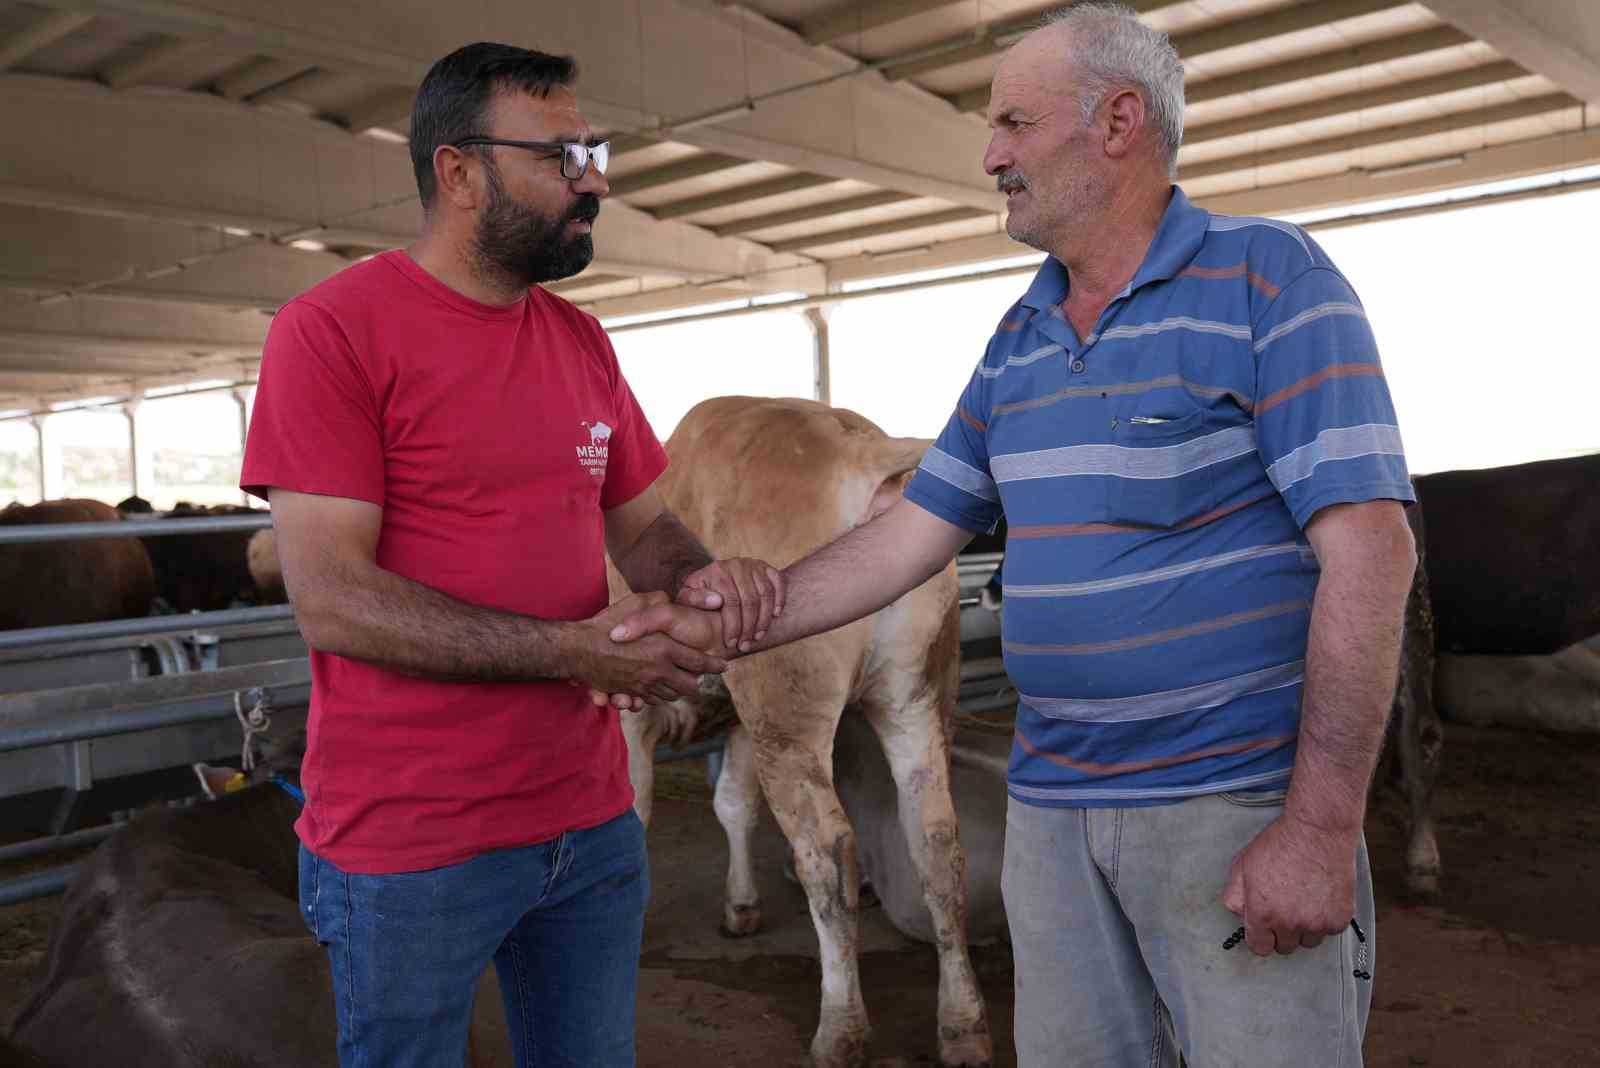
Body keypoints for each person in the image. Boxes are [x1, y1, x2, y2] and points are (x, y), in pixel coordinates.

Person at [614, 4, 1417, 1064]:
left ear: (1120, 121)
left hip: (1225, 810)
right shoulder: (1021, 335)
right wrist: (718, 616)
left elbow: (1371, 552)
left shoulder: (1273, 282)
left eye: (1013, 124)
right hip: (1052, 817)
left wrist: (1317, 830)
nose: (990, 154)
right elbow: (905, 538)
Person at [239, 42, 782, 1068]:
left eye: (596, 151)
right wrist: (576, 653)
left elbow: (643, 528)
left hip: (588, 826)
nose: (594, 180)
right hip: (409, 848)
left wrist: (702, 575)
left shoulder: (579, 340)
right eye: (561, 155)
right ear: (456, 172)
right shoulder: (332, 332)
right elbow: (335, 602)